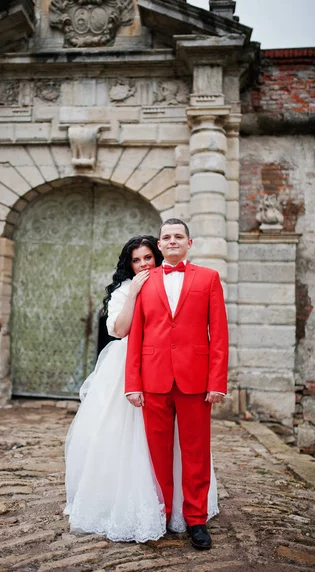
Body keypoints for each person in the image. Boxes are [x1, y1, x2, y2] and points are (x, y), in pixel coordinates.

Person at [64, 234, 219, 543]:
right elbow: (121, 330)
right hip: (129, 368)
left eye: (148, 258)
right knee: (123, 439)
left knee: (182, 445)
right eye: (137, 260)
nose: (144, 264)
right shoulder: (128, 289)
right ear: (129, 264)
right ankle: (134, 503)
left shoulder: (177, 282)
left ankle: (187, 512)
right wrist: (134, 293)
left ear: (158, 257)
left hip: (172, 371)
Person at [125, 219, 229, 550]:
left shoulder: (209, 278)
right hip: (153, 381)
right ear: (159, 244)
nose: (172, 241)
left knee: (196, 453)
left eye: (178, 236)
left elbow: (219, 336)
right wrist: (133, 383)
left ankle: (196, 520)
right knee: (158, 454)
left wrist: (217, 382)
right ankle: (163, 514)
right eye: (166, 237)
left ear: (189, 242)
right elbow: (136, 336)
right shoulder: (145, 281)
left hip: (196, 381)